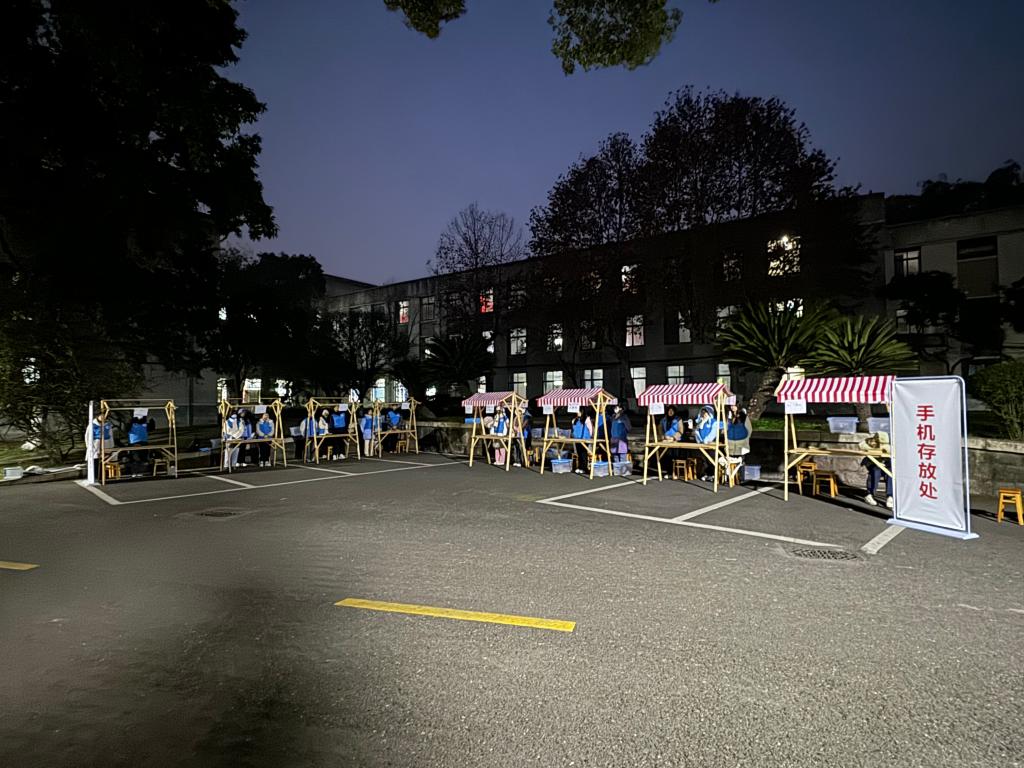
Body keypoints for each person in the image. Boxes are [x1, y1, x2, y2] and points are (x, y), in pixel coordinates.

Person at [859, 432, 893, 509]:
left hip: (885, 464)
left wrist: (884, 449)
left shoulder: (887, 446)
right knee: (875, 472)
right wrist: (873, 447)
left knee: (890, 473)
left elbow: (890, 450)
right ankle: (869, 495)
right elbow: (861, 445)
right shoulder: (870, 442)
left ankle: (890, 496)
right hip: (873, 464)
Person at [85, 416, 114, 480]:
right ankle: (95, 476)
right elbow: (87, 436)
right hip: (96, 444)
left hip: (106, 444)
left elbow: (111, 435)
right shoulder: (92, 425)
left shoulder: (108, 425)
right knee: (95, 461)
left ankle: (103, 476)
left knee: (104, 460)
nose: (103, 417)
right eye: (101, 416)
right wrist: (90, 447)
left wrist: (112, 446)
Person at [570, 408, 593, 474]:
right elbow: (573, 429)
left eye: (579, 411)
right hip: (577, 439)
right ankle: (580, 467)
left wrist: (588, 437)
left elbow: (590, 429)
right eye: (577, 411)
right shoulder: (574, 420)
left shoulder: (586, 419)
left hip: (584, 439)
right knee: (579, 453)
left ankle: (584, 468)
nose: (578, 413)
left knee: (583, 453)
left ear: (582, 412)